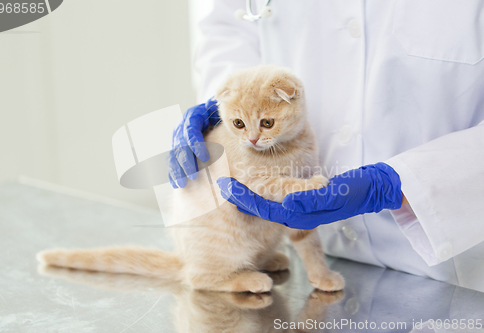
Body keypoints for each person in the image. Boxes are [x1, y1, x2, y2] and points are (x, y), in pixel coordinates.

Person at [169, 1, 484, 292]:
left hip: (453, 261)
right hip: (313, 256)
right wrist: (232, 105)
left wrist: (405, 183)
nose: (252, 137)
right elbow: (227, 25)